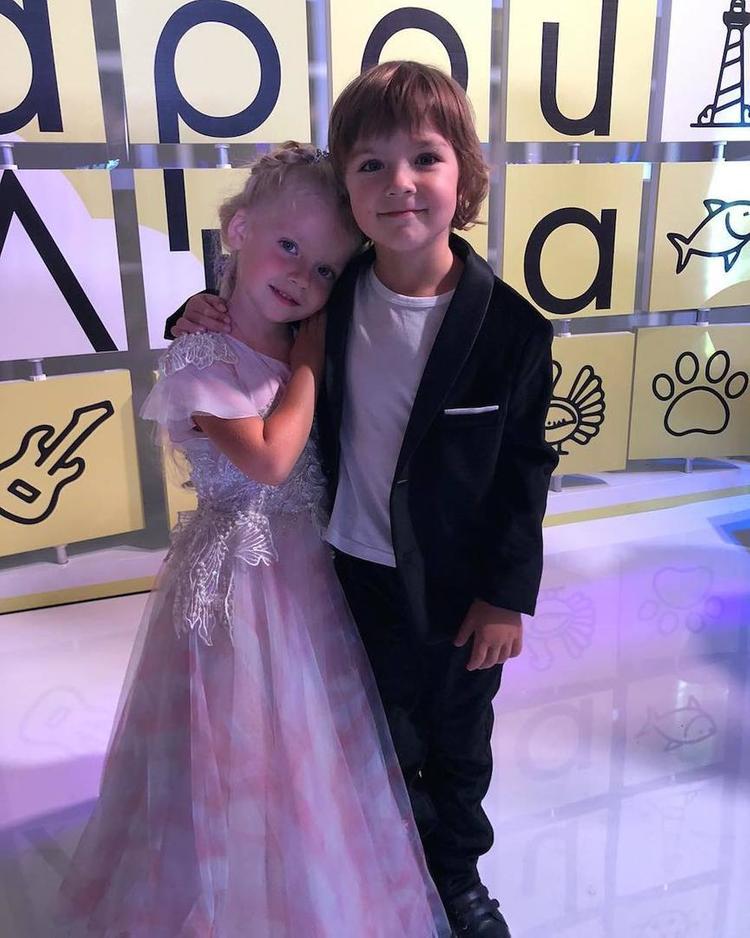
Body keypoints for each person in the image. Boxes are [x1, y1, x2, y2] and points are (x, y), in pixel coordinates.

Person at [168, 62, 559, 938]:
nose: (399, 183)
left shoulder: (513, 330)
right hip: (348, 574)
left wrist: (506, 595)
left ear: (465, 175)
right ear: (347, 187)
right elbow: (253, 315)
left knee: (457, 740)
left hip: (458, 587)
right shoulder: (330, 297)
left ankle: (456, 877)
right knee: (373, 737)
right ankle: (386, 868)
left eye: (425, 158)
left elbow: (524, 467)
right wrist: (196, 309)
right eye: (371, 165)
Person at [56, 142, 451, 938]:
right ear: (239, 230)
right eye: (289, 247)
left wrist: (307, 343)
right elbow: (270, 459)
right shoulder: (204, 350)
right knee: (230, 746)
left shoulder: (304, 332)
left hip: (310, 579)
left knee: (310, 747)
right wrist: (307, 358)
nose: (302, 277)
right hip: (236, 586)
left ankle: (309, 890)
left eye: (325, 269)